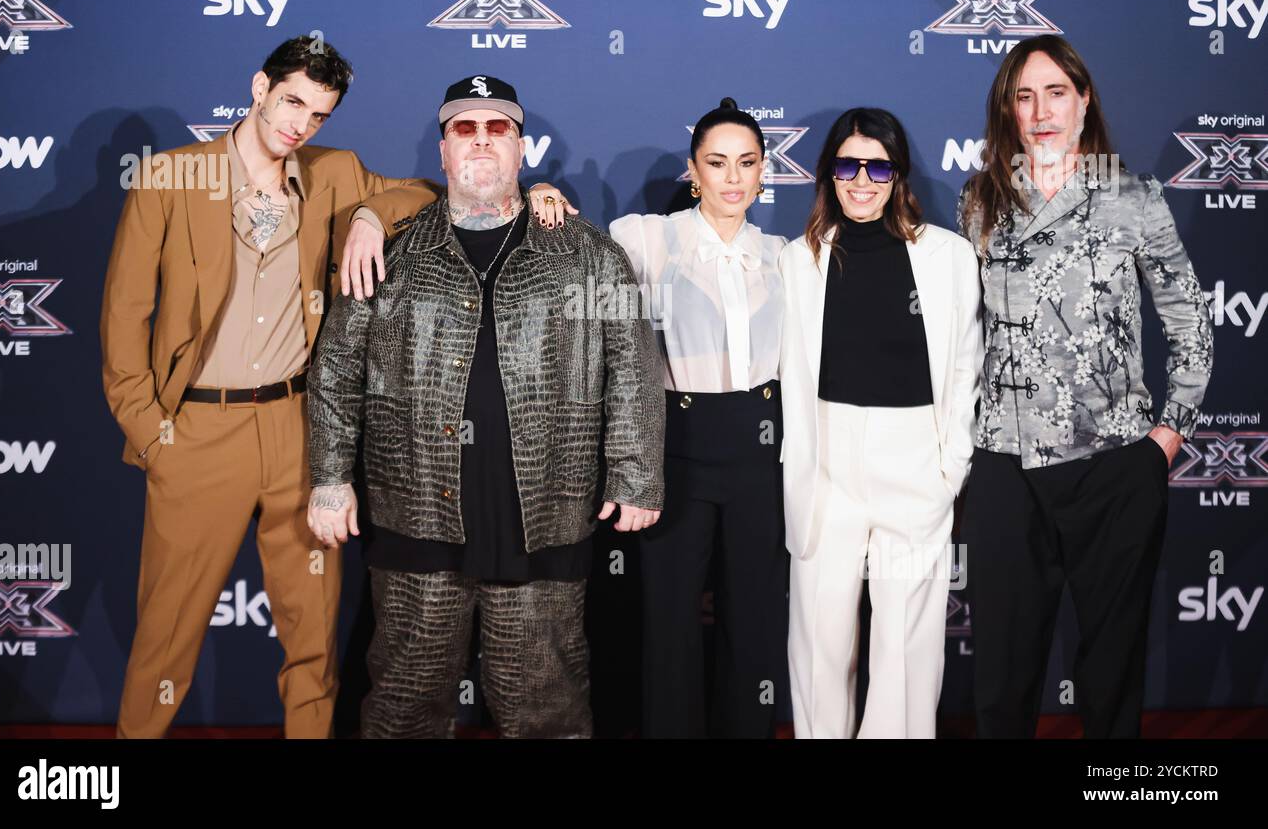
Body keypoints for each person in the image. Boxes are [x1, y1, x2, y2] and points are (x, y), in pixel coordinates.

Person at [307, 75, 665, 738]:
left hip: (545, 522)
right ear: (441, 151)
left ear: (522, 147)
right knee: (403, 707)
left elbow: (635, 371)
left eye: (497, 128)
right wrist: (329, 480)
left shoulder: (589, 257)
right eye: (463, 129)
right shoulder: (387, 254)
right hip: (413, 518)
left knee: (547, 708)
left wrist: (637, 473)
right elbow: (334, 371)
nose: (480, 140)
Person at [100, 35, 437, 737]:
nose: (300, 125)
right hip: (193, 435)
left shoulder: (335, 172)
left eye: (318, 114)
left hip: (299, 433)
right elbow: (124, 317)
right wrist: (151, 434)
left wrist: (371, 215)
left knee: (312, 635)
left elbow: (427, 196)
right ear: (259, 87)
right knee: (166, 638)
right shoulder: (170, 177)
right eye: (291, 102)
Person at [957, 35, 1215, 738]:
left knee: (1111, 675)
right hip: (1007, 469)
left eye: (1056, 92)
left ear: (1084, 99)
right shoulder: (980, 202)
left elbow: (1190, 321)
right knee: (1003, 680)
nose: (1041, 110)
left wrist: (1165, 438)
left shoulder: (1132, 198)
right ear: (1008, 109)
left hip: (1113, 467)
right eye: (1024, 95)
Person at [779, 107, 982, 738]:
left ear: (898, 175)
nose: (861, 180)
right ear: (828, 173)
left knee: (906, 643)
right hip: (826, 465)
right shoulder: (796, 260)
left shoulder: (948, 256)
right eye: (847, 164)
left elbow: (964, 368)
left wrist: (950, 468)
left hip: (916, 463)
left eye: (877, 166)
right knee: (820, 638)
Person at [603, 97, 789, 739]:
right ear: (693, 170)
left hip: (763, 451)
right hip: (676, 447)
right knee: (669, 620)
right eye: (717, 163)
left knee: (756, 618)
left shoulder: (786, 254)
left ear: (765, 170)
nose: (733, 177)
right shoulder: (648, 237)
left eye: (746, 162)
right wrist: (543, 190)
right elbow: (572, 253)